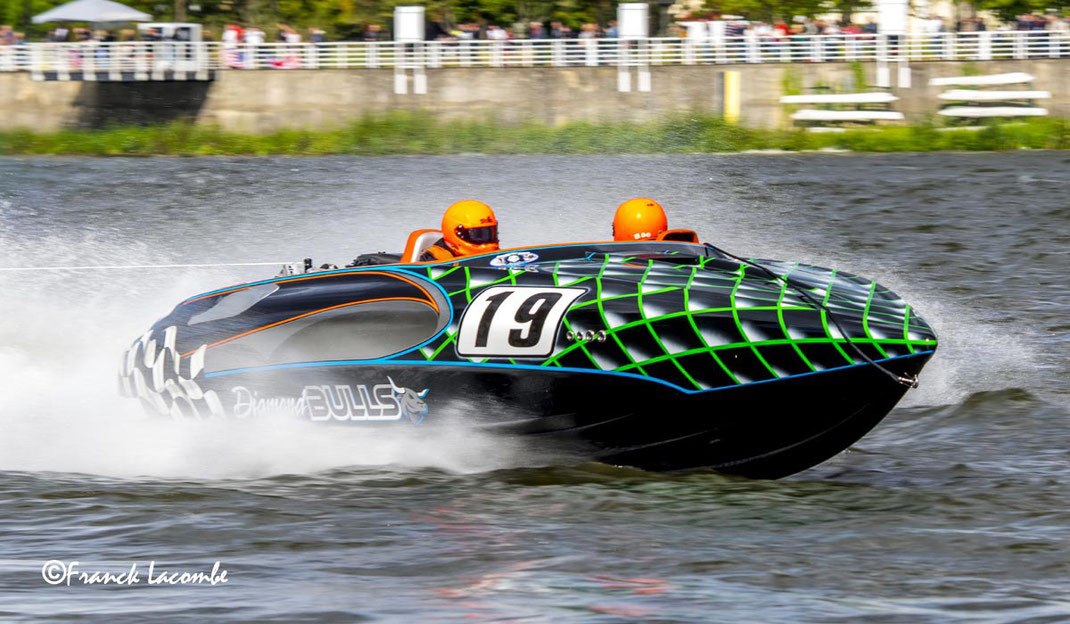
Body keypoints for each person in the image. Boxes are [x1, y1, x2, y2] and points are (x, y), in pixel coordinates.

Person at [420, 200, 500, 261]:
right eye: (478, 235)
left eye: (488, 233)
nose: (485, 241)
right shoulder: (434, 259)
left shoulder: (499, 256)